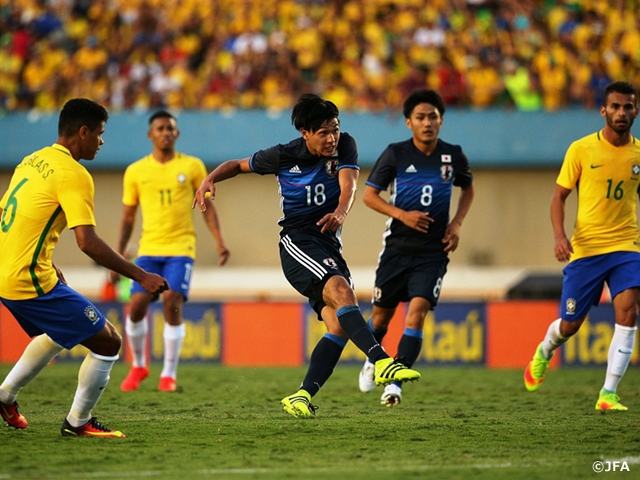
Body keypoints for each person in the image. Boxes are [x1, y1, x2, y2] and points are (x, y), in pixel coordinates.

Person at [193, 93, 421, 417]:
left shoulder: (345, 145)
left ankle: (300, 396)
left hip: (328, 245)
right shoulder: (283, 155)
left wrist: (341, 211)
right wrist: (210, 179)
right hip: (297, 241)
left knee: (339, 325)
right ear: (305, 133)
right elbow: (238, 165)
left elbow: (349, 185)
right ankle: (382, 362)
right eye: (323, 132)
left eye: (335, 130)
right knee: (343, 293)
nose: (331, 139)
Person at [0, 98, 168, 437]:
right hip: (26, 278)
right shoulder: (74, 174)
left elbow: (13, 217)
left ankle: (4, 396)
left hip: (11, 270)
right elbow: (88, 243)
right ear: (83, 132)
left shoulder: (32, 159)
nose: (102, 142)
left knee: (62, 331)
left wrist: (46, 258)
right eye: (100, 134)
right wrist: (141, 275)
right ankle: (78, 422)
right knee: (108, 342)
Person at [524, 81, 640, 411]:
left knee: (629, 312)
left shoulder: (639, 154)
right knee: (570, 325)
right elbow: (559, 196)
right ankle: (545, 350)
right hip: (587, 249)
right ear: (603, 111)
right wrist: (560, 236)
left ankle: (608, 393)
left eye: (627, 106)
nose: (621, 112)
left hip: (626, 245)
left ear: (635, 111)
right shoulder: (581, 149)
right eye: (615, 107)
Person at [357, 89, 474, 406]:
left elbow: (468, 188)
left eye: (433, 117)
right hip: (396, 249)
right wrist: (401, 215)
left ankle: (395, 384)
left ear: (441, 120)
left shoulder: (453, 155)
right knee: (380, 320)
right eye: (420, 117)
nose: (427, 123)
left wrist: (457, 224)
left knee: (417, 313)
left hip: (433, 252)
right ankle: (374, 358)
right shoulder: (395, 154)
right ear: (408, 122)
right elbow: (369, 195)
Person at [113, 110, 229, 393]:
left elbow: (207, 207)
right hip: (148, 248)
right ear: (150, 134)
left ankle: (168, 374)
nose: (165, 132)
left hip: (181, 247)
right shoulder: (136, 171)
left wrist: (219, 240)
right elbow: (128, 217)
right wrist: (117, 255)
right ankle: (139, 365)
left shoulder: (192, 167)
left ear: (176, 134)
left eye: (170, 128)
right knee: (137, 305)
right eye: (160, 128)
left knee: (172, 301)